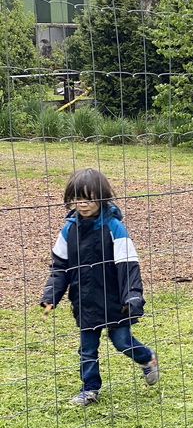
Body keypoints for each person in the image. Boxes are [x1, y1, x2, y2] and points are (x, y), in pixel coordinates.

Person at [40, 168, 159, 407]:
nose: (83, 205)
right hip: (84, 301)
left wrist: (132, 297)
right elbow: (59, 267)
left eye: (89, 199)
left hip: (115, 301)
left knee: (123, 342)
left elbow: (128, 266)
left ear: (102, 198)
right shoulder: (68, 230)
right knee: (87, 350)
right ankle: (90, 388)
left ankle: (147, 358)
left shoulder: (114, 228)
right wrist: (51, 295)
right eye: (78, 199)